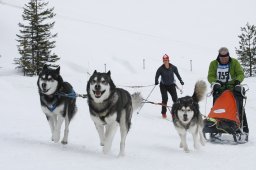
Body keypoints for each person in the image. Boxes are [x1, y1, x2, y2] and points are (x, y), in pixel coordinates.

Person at [207, 47, 249, 133]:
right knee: (217, 107)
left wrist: (238, 80)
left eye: (226, 58)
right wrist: (215, 82)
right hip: (220, 88)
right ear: (219, 57)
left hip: (233, 88)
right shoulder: (213, 64)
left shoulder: (234, 62)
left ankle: (243, 128)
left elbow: (240, 73)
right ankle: (215, 126)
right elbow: (210, 76)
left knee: (239, 106)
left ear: (228, 56)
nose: (224, 60)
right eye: (222, 58)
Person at [155, 54, 184, 118]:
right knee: (165, 98)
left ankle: (174, 113)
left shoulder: (173, 67)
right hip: (163, 85)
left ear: (168, 60)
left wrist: (181, 81)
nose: (165, 61)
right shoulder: (160, 68)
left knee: (175, 99)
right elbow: (157, 75)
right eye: (164, 60)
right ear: (163, 61)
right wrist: (156, 81)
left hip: (171, 85)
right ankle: (163, 113)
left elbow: (177, 74)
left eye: (166, 60)